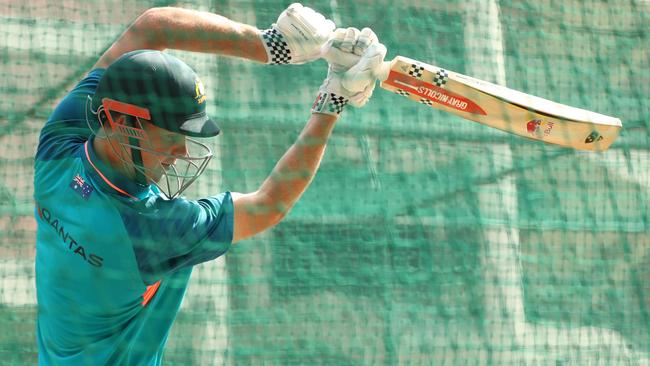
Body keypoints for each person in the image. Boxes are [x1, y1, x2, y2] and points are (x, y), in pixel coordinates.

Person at [33, 3, 386, 365]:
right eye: (171, 135)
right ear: (124, 122)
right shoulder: (152, 231)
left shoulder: (58, 149)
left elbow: (153, 26)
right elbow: (269, 203)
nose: (182, 151)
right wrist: (332, 100)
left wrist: (273, 45)